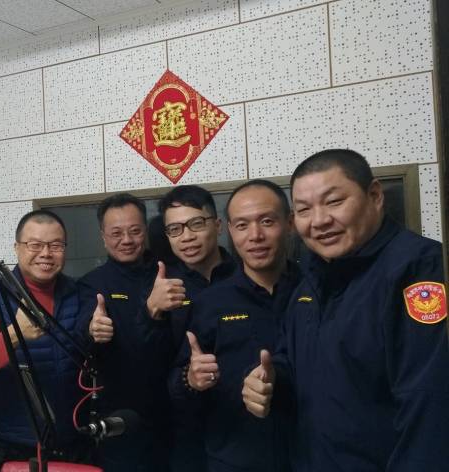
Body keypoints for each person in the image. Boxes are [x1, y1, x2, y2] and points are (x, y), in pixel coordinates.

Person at [242, 149, 449, 471]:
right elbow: (294, 362)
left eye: (334, 201)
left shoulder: (418, 270)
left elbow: (430, 403)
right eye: (304, 209)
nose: (320, 220)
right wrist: (269, 382)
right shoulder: (310, 281)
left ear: (375, 196)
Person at [169, 180, 299, 472]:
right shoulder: (211, 302)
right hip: (234, 459)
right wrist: (190, 379)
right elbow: (176, 383)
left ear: (290, 223)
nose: (255, 236)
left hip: (310, 456)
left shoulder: (314, 291)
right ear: (229, 230)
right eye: (242, 225)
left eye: (267, 221)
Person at [0, 210, 88, 467]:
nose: (46, 253)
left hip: (74, 438)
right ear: (17, 248)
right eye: (35, 245)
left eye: (55, 245)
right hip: (14, 443)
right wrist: (15, 334)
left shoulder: (78, 292)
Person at [79, 193, 182, 472]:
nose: (126, 240)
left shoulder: (169, 275)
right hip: (121, 418)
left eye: (135, 231)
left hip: (174, 413)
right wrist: (93, 330)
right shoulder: (92, 284)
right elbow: (84, 335)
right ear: (103, 237)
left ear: (145, 231)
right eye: (116, 233)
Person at [155, 185, 237, 471]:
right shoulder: (161, 287)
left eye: (196, 224)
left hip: (245, 422)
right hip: (184, 431)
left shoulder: (246, 274)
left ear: (218, 225)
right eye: (175, 229)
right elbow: (148, 362)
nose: (186, 236)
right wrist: (150, 312)